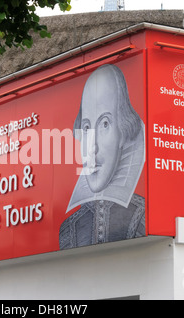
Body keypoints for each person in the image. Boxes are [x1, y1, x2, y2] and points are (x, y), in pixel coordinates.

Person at [59, 64, 145, 249]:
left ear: (123, 132)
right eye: (87, 127)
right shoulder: (68, 229)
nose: (93, 147)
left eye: (105, 124)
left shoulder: (144, 217)